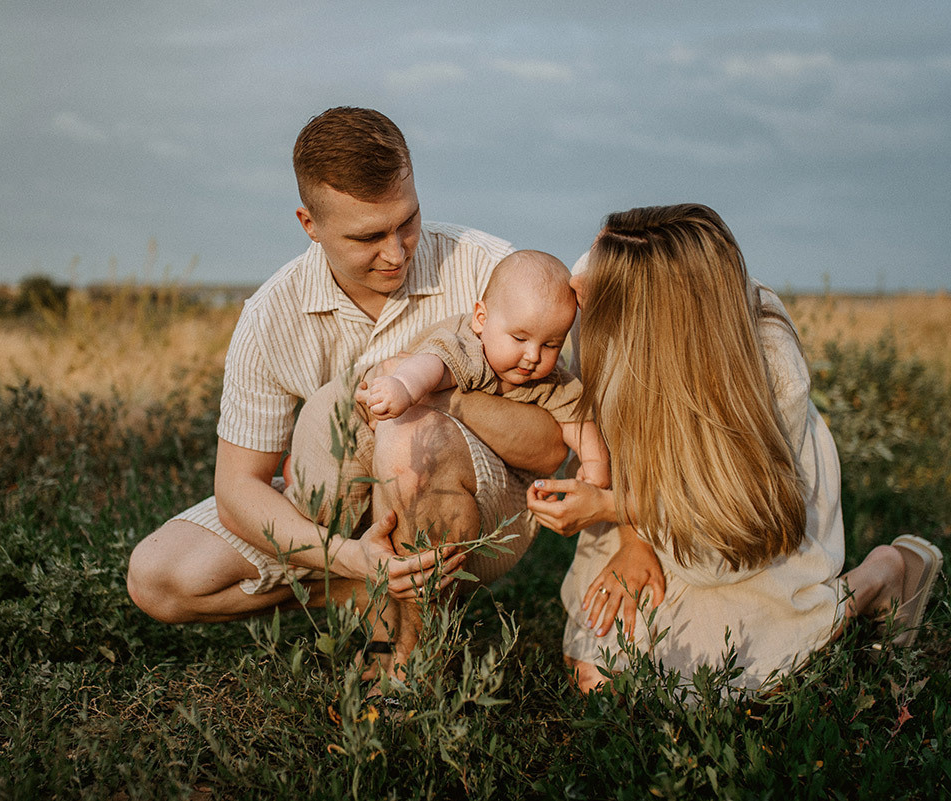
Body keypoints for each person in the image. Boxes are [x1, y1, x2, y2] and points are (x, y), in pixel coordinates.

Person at [126, 107, 568, 667]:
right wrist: (350, 557)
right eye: (368, 236)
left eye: (407, 222)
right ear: (309, 225)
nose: (397, 251)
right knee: (160, 576)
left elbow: (553, 447)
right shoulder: (271, 315)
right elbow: (239, 488)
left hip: (477, 505)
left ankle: (405, 662)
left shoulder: (493, 270)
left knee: (405, 435)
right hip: (332, 506)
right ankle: (368, 589)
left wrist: (434, 389)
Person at [527, 203, 943, 693]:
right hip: (648, 509)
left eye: (593, 266)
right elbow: (608, 432)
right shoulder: (594, 283)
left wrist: (611, 507)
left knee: (734, 677)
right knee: (596, 678)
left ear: (649, 316)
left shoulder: (768, 365)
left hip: (737, 529)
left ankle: (881, 576)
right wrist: (633, 540)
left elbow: (723, 545)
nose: (579, 275)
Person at [285, 249, 609, 536]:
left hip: (390, 432)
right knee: (330, 508)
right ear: (481, 319)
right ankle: (297, 481)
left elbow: (577, 419)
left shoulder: (549, 378)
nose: (533, 356)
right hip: (352, 411)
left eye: (550, 344)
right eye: (520, 338)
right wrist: (404, 387)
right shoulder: (469, 347)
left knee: (363, 513)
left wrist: (594, 468)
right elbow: (431, 365)